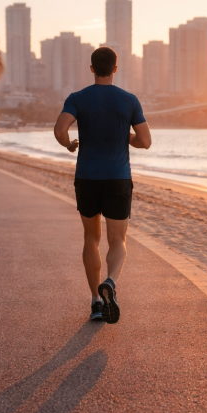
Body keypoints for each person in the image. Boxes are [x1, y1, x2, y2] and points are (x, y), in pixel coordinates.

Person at [53, 47, 152, 324]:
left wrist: (69, 145)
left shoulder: (77, 98)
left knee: (91, 238)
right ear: (116, 69)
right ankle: (110, 282)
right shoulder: (129, 100)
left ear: (92, 68)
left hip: (87, 177)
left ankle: (96, 302)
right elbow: (145, 141)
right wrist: (125, 136)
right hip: (118, 178)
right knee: (118, 240)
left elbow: (60, 130)